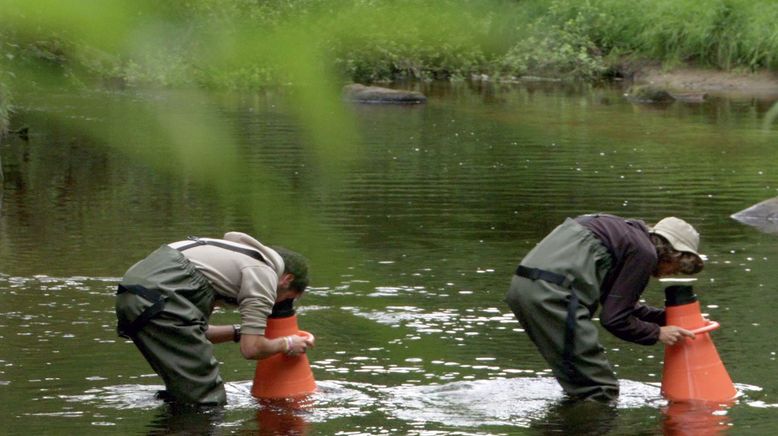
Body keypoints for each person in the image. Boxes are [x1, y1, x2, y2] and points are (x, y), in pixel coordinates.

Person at [504, 214, 704, 401]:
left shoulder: (616, 232)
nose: (669, 274)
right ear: (672, 254)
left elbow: (621, 305)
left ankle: (562, 426)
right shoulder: (644, 253)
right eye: (677, 268)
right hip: (554, 296)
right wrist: (658, 333)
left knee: (579, 381)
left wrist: (674, 317)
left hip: (524, 288)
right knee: (600, 390)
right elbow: (614, 319)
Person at [115, 231, 314, 406]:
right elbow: (251, 349)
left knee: (184, 394)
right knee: (207, 402)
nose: (278, 306)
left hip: (133, 295)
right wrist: (287, 343)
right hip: (161, 300)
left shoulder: (225, 259)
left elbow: (197, 332)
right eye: (287, 300)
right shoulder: (263, 274)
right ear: (286, 280)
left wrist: (240, 332)